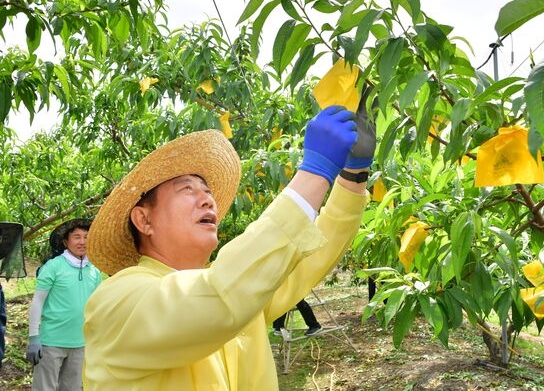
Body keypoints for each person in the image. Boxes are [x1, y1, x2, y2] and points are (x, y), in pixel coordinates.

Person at [83, 101, 376, 390]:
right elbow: (218, 295)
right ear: (143, 220)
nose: (207, 199)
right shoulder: (116, 302)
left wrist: (353, 176)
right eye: (187, 189)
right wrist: (315, 171)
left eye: (207, 190)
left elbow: (311, 252)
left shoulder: (242, 292)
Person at [26, 218, 102, 391]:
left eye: (86, 237)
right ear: (66, 241)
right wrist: (33, 338)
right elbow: (38, 302)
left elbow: (95, 306)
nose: (82, 242)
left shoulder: (94, 270)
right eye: (76, 237)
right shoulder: (53, 266)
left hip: (80, 343)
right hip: (51, 342)